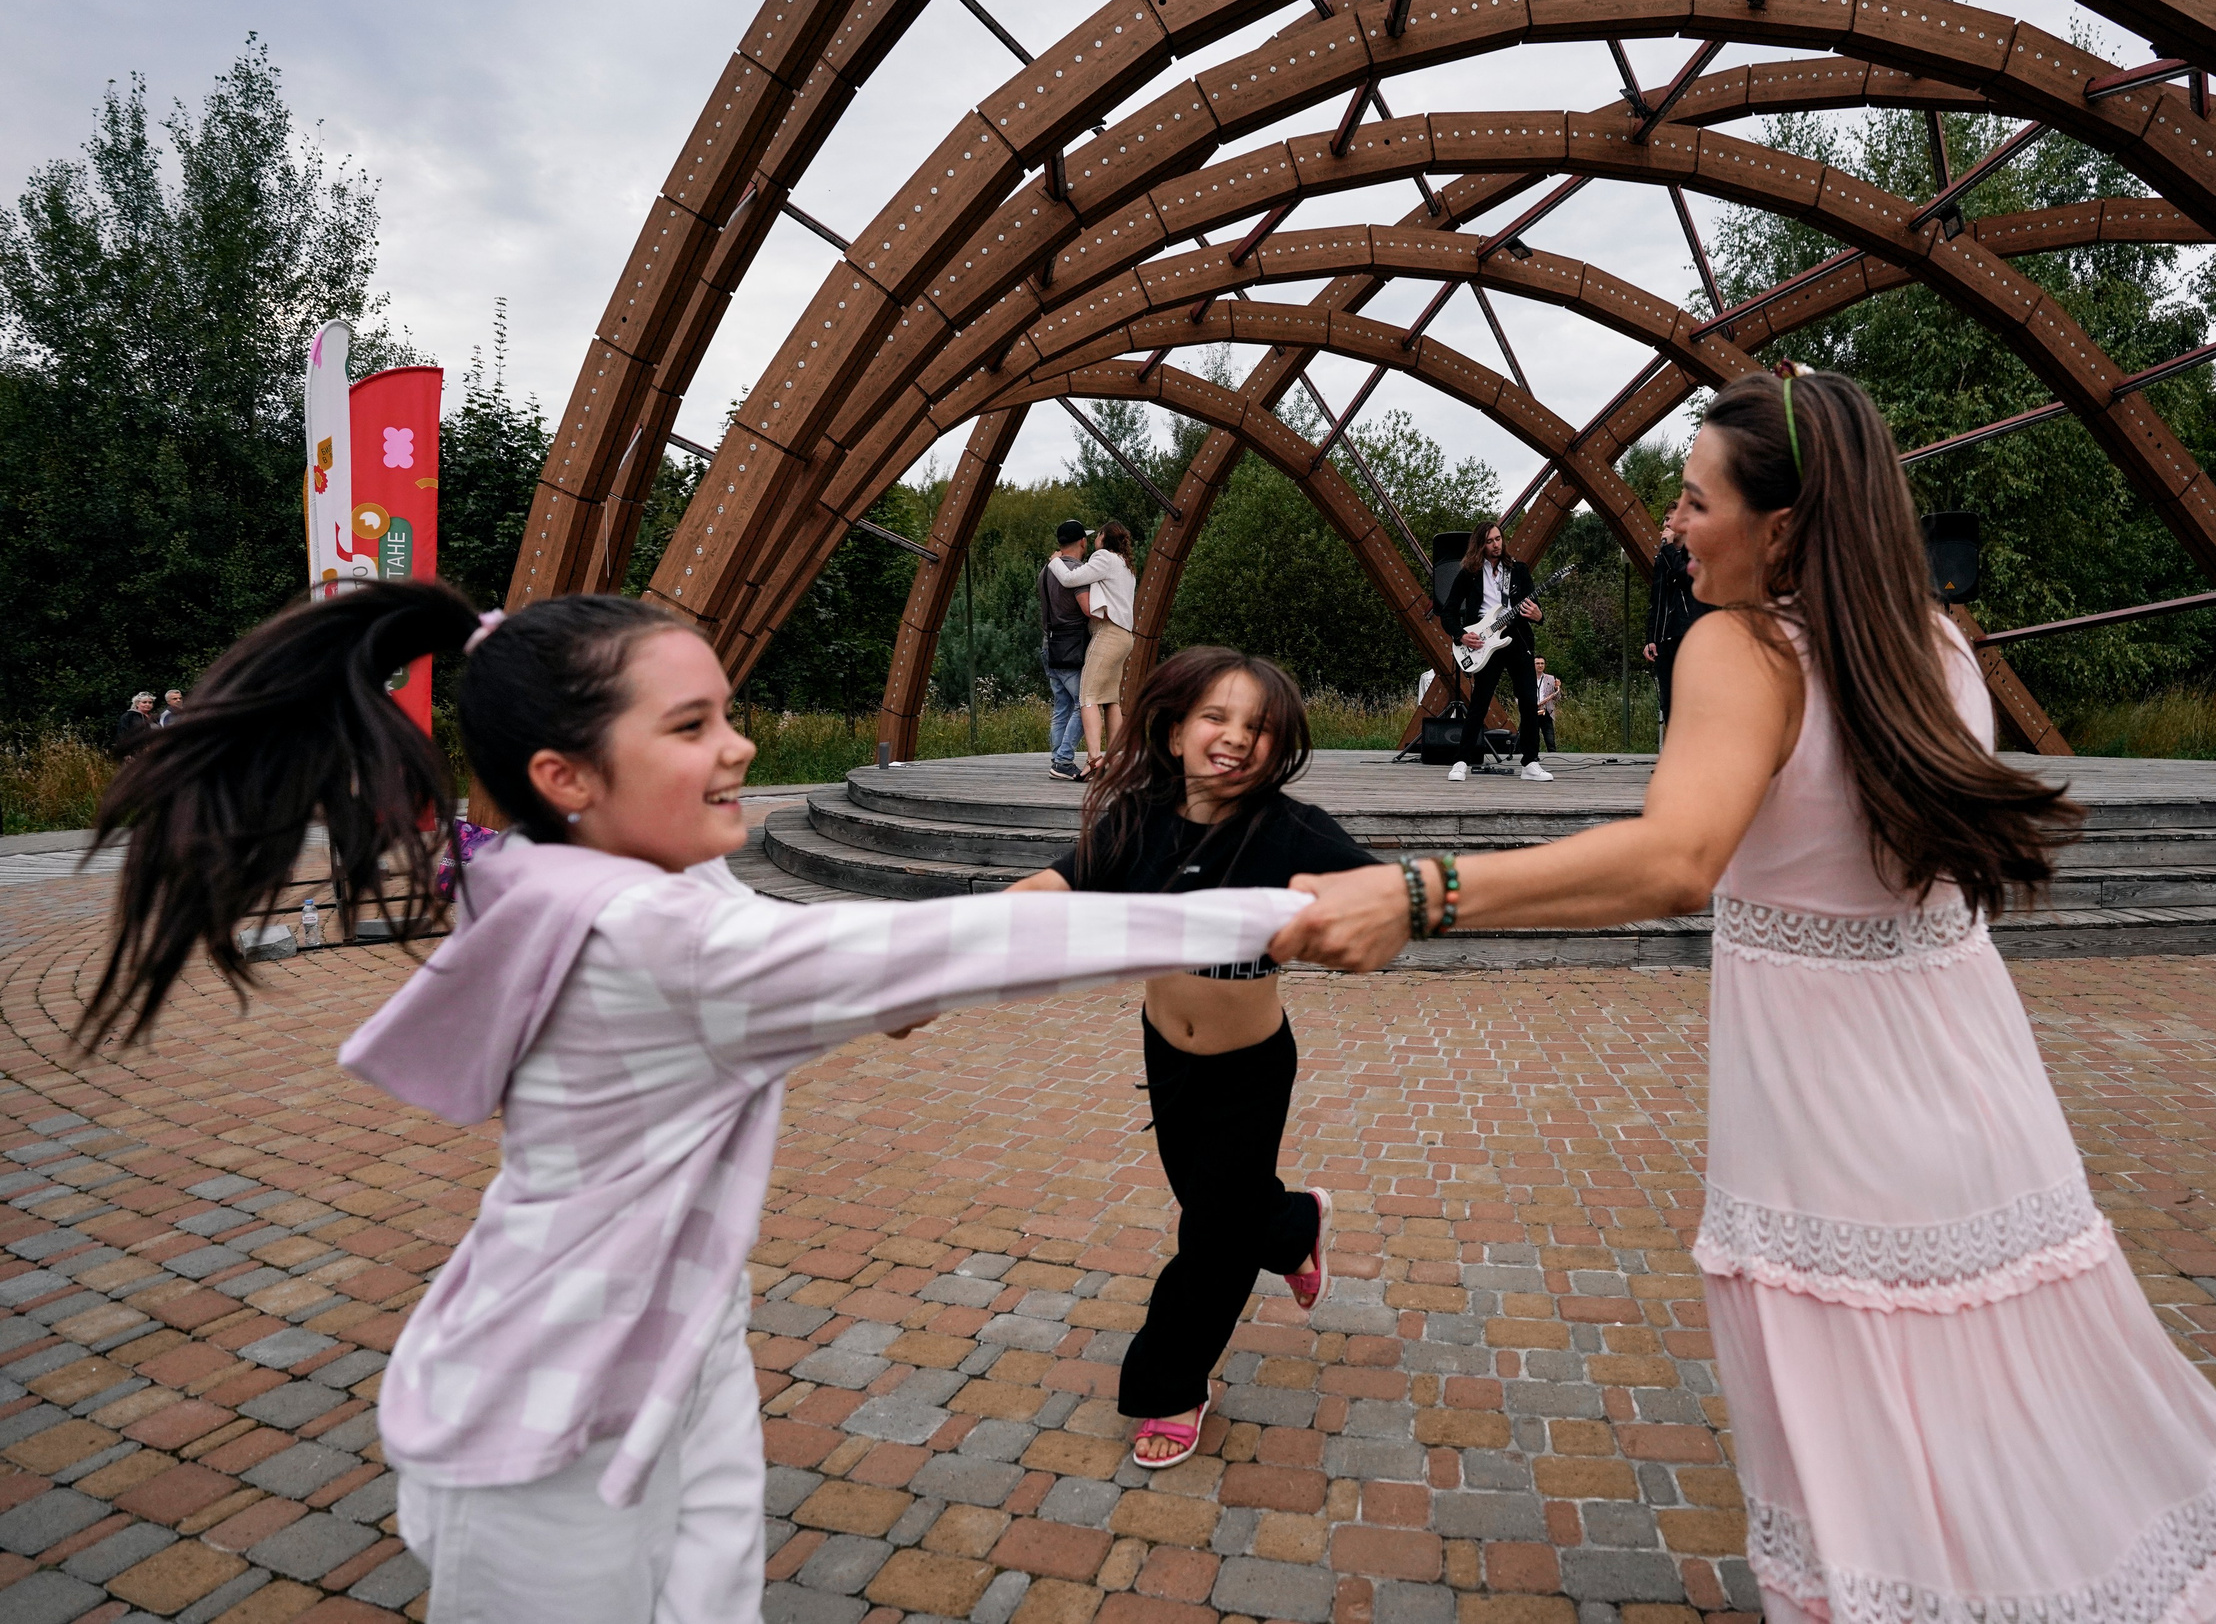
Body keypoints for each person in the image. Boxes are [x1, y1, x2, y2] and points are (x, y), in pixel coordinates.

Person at [1272, 367, 2216, 1624]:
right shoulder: (1934, 646)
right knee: (2023, 1417)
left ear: (1780, 527)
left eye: (1692, 497)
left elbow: (1676, 857)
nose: (1669, 523)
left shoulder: (1744, 645)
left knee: (1874, 1463)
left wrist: (1419, 894)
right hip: (1977, 1097)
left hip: (1830, 1126)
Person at [77, 580, 1310, 1624]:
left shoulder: (621, 875)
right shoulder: (644, 931)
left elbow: (823, 957)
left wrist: (877, 982)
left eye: (728, 712)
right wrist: (1285, 911)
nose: (741, 748)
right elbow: (913, 955)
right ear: (566, 773)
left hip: (681, 1343)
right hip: (545, 1413)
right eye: (691, 726)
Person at [1006, 646, 1374, 1469]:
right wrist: (962, 937)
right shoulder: (1138, 823)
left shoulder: (1294, 832)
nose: (1237, 738)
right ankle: (1294, 1225)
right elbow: (1058, 887)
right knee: (1226, 1211)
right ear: (1174, 734)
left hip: (1250, 1070)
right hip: (1168, 1061)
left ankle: (1170, 1383)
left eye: (1261, 727)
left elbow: (1376, 902)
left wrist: (1341, 924)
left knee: (1209, 1238)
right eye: (1217, 717)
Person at [1436, 520, 1551, 784]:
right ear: (1480, 545)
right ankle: (1461, 761)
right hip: (1485, 643)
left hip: (1517, 640)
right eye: (1489, 541)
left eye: (1498, 539)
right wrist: (1462, 635)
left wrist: (1538, 615)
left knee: (1528, 701)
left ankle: (1531, 762)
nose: (1495, 545)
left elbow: (1536, 609)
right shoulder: (1469, 574)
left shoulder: (1519, 571)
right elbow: (1449, 611)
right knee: (1479, 703)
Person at [1055, 520, 1138, 764]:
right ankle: (1114, 758)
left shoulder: (1103, 557)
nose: (1092, 541)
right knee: (1111, 699)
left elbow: (1071, 579)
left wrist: (1055, 562)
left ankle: (1093, 759)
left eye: (1097, 535)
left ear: (1103, 537)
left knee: (1087, 696)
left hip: (1107, 633)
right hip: (1125, 637)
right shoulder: (1125, 565)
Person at [1042, 520, 1094, 781]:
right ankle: (1063, 760)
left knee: (1062, 705)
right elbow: (1086, 608)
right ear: (1083, 541)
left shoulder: (1047, 570)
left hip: (1049, 644)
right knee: (1084, 704)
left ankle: (1056, 759)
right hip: (1072, 646)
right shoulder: (1077, 571)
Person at [1645, 518, 1705, 729]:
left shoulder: (1695, 551)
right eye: (1664, 520)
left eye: (1671, 519)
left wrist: (1670, 548)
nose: (1666, 523)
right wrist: (1650, 637)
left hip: (1687, 632)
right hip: (1665, 635)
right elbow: (1656, 599)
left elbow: (1685, 578)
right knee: (1668, 698)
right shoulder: (1662, 557)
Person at [1532, 656, 1559, 756]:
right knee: (1532, 737)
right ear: (1533, 665)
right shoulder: (1527, 678)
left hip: (1546, 711)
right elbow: (1518, 695)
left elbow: (1557, 698)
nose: (1540, 665)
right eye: (1537, 663)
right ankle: (1533, 757)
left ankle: (1553, 758)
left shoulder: (1551, 678)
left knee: (1550, 738)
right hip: (1532, 710)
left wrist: (1557, 688)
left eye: (1542, 663)